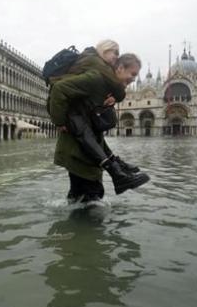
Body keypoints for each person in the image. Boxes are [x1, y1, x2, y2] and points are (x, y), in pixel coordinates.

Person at [49, 42, 149, 202]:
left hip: (85, 150)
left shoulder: (107, 88)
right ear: (120, 68)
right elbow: (58, 90)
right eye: (133, 74)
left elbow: (92, 121)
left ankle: (117, 168)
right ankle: (116, 173)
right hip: (78, 150)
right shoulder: (96, 78)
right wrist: (59, 122)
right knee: (91, 197)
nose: (134, 78)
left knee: (81, 196)